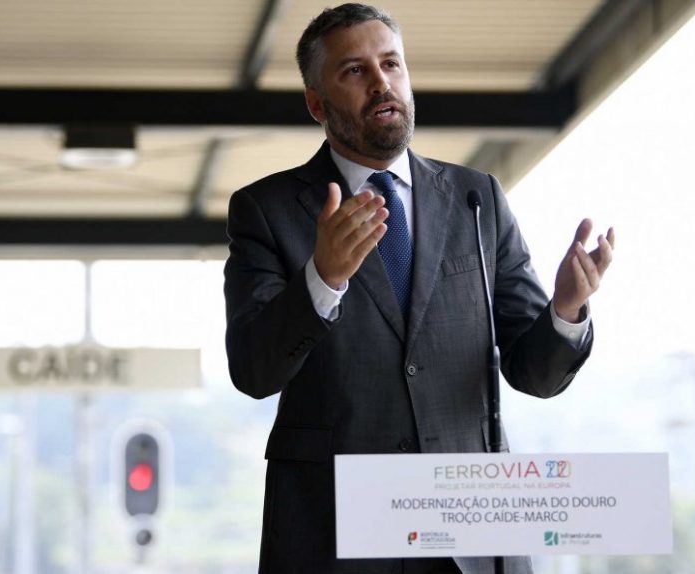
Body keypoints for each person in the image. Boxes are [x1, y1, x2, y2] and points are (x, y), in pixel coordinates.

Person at [223, 4, 615, 573]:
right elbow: (253, 371)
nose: (381, 83)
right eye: (354, 70)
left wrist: (566, 310)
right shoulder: (267, 209)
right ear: (317, 103)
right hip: (336, 532)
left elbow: (535, 373)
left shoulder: (477, 197)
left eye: (391, 64)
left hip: (472, 533)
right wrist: (322, 279)